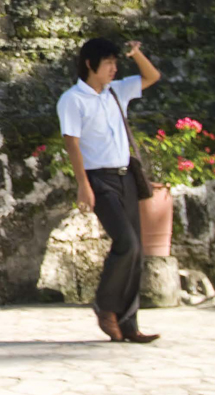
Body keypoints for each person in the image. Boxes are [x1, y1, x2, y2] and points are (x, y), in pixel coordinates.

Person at [56, 37, 161, 343]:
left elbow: (152, 77)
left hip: (125, 176)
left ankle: (129, 324)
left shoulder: (117, 91)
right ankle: (105, 305)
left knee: (137, 250)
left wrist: (137, 53)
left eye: (117, 63)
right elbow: (71, 143)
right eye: (109, 63)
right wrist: (83, 185)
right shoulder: (72, 99)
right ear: (90, 65)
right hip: (98, 179)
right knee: (126, 242)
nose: (115, 68)